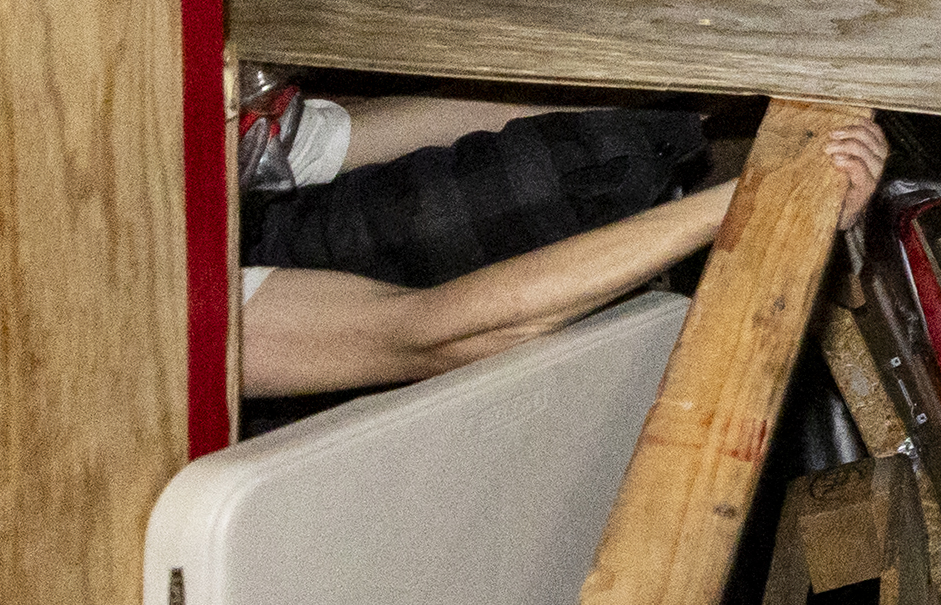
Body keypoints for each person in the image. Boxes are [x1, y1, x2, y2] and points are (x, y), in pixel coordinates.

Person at [243, 115, 893, 403]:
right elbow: (433, 332)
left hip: (246, 223)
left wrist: (652, 93)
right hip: (305, 355)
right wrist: (756, 199)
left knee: (587, 152)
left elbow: (333, 138)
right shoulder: (189, 330)